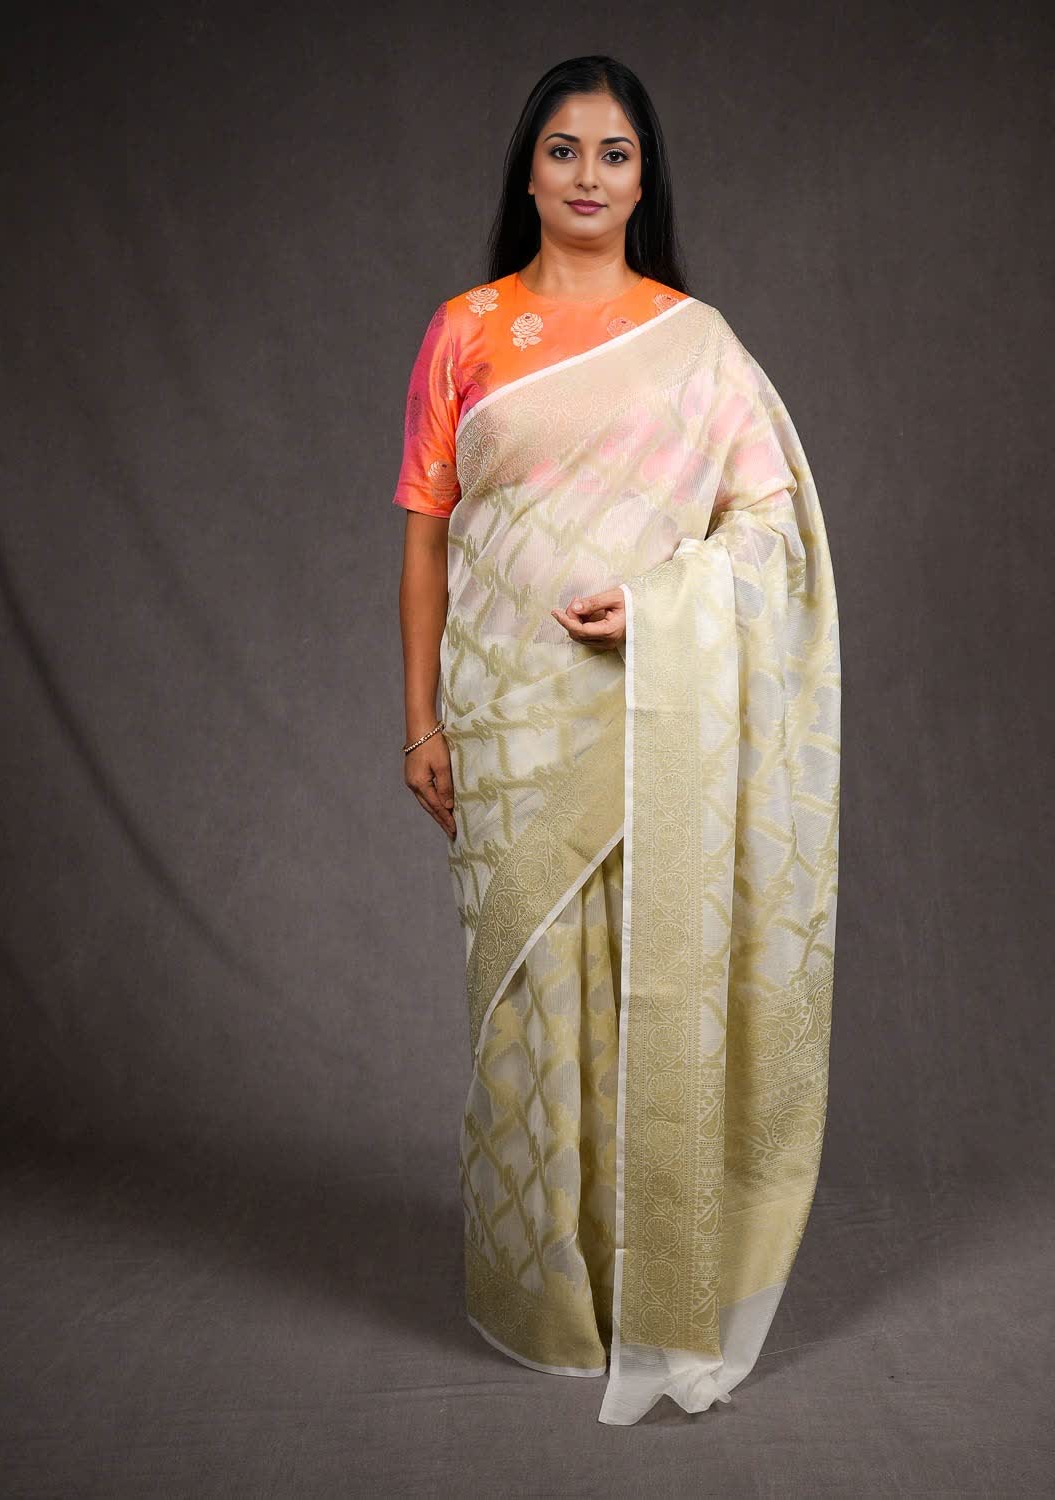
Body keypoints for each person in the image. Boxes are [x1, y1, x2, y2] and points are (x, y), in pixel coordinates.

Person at [393, 54, 841, 1427]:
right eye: (564, 150)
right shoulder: (464, 330)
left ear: (646, 182)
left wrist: (658, 609)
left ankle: (646, 1284)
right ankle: (541, 1294)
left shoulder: (695, 343)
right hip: (506, 716)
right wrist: (418, 722)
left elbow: (769, 530)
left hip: (650, 715)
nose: (588, 175)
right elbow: (425, 538)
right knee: (526, 1000)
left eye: (615, 153)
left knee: (647, 986)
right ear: (527, 171)